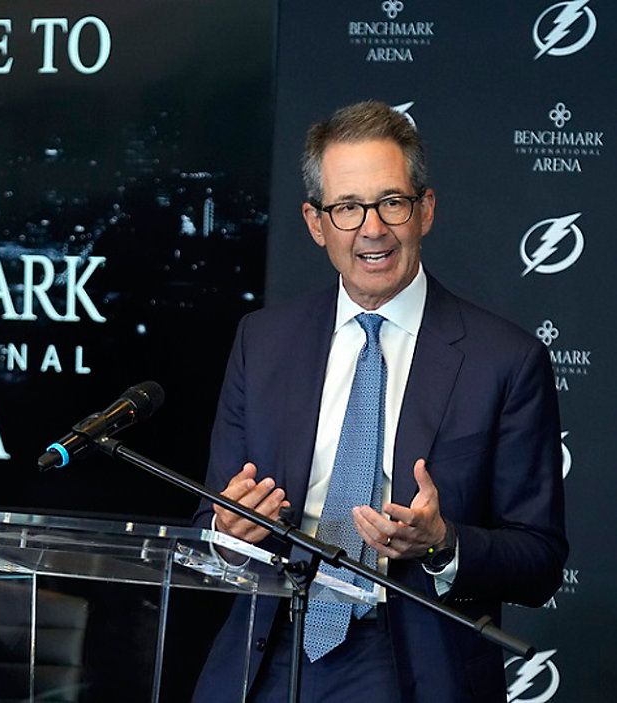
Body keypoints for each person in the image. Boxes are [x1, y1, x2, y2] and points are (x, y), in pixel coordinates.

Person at [192, 101, 567, 703]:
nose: (372, 228)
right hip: (264, 651)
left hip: (411, 658)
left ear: (425, 211)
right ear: (316, 223)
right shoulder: (262, 342)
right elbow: (208, 520)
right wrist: (226, 529)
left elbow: (541, 557)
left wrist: (443, 541)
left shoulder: (505, 359)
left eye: (391, 202)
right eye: (347, 208)